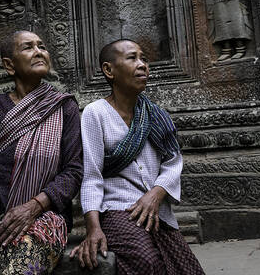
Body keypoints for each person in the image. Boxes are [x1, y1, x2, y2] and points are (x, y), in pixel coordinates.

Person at [70, 39, 205, 275]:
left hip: (156, 211)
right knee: (146, 262)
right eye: (132, 58)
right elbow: (91, 176)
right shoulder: (96, 113)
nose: (142, 65)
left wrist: (155, 194)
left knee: (187, 269)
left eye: (144, 59)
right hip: (115, 209)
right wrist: (93, 229)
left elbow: (173, 161)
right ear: (108, 70)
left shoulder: (156, 115)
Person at [0, 31, 83, 274]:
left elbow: (73, 171)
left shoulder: (64, 108)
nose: (39, 51)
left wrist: (33, 207)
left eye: (42, 46)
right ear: (9, 65)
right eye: (28, 48)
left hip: (44, 217)